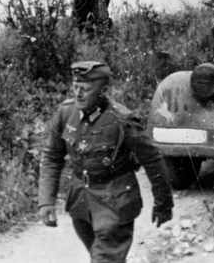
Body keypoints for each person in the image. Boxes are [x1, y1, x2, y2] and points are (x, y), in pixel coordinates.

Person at [38, 60, 173, 263]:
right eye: (75, 86)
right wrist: (46, 200)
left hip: (115, 203)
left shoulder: (122, 120)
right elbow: (51, 156)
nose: (77, 93)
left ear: (104, 90)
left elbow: (152, 159)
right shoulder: (66, 113)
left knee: (105, 259)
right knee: (103, 256)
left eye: (85, 88)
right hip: (81, 203)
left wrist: (163, 203)